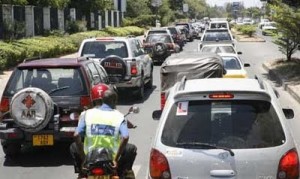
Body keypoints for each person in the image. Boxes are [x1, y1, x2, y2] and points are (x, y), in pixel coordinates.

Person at [70, 84, 137, 179]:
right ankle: (123, 173)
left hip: (90, 160)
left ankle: (81, 173)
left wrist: (84, 159)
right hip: (110, 161)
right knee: (131, 148)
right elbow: (125, 137)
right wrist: (115, 160)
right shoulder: (119, 116)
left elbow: (76, 135)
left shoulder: (86, 114)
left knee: (73, 146)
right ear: (114, 101)